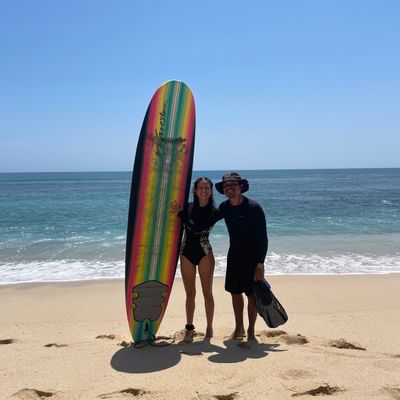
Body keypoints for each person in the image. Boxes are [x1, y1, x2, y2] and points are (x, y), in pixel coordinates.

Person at [216, 172, 268, 341]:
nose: (229, 188)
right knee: (235, 293)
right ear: (223, 190)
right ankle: (239, 328)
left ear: (241, 187)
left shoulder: (254, 208)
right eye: (226, 185)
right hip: (234, 256)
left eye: (233, 184)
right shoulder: (224, 207)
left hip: (252, 258)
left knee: (252, 295)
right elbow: (206, 219)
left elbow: (263, 237)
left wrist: (260, 263)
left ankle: (251, 330)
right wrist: (184, 213)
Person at [171, 177, 223, 341]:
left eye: (207, 187)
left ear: (211, 190)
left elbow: (198, 228)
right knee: (190, 294)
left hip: (204, 253)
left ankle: (209, 327)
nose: (204, 190)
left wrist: (181, 215)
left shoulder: (215, 212)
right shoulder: (187, 207)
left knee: (207, 293)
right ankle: (189, 327)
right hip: (186, 252)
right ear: (195, 191)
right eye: (201, 187)